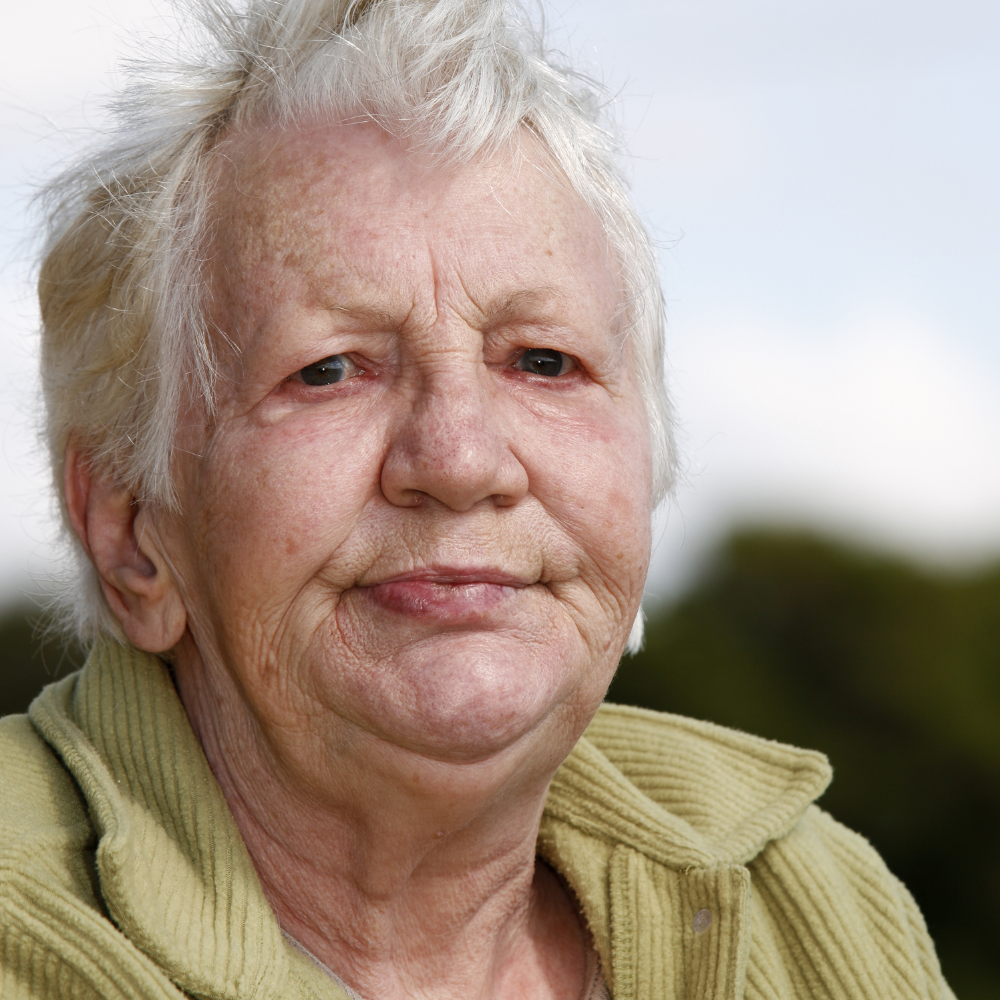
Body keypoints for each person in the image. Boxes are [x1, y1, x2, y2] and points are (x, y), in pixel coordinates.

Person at [0, 1, 954, 998]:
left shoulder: (808, 894)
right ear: (129, 530)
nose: (458, 458)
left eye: (544, 361)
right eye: (329, 370)